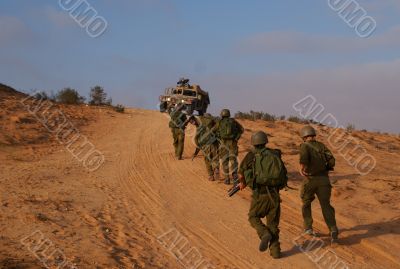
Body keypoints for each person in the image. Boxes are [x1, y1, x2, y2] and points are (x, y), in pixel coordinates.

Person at [237, 131, 287, 259]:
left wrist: (243, 183)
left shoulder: (252, 155)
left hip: (260, 194)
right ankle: (276, 252)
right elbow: (283, 176)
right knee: (273, 224)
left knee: (253, 216)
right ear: (265, 141)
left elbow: (241, 173)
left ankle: (264, 233)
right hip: (275, 195)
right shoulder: (275, 154)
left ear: (254, 142)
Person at [298, 125, 339, 243]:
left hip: (310, 179)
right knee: (326, 205)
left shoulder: (304, 146)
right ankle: (333, 229)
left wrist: (302, 168)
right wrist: (326, 167)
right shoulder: (321, 146)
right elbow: (332, 160)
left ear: (304, 136)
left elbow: (304, 158)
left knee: (306, 203)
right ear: (313, 135)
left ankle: (308, 228)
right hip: (324, 180)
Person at [215, 109, 244, 185]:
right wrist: (236, 138)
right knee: (233, 160)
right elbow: (242, 129)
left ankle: (227, 179)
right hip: (233, 143)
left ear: (222, 114)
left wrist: (218, 138)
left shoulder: (220, 122)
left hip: (223, 143)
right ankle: (235, 178)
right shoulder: (233, 121)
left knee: (225, 161)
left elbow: (214, 131)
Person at [190, 113, 219, 181]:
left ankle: (211, 176)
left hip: (205, 145)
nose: (192, 123)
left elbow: (197, 140)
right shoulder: (212, 124)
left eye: (192, 122)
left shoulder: (200, 126)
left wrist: (196, 152)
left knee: (207, 160)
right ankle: (216, 168)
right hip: (213, 143)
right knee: (215, 158)